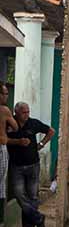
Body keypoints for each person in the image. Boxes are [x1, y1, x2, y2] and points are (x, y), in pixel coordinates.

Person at [7, 102, 54, 227]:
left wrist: (41, 144)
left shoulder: (33, 123)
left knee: (32, 196)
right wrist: (18, 142)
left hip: (33, 164)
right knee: (19, 195)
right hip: (17, 166)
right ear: (16, 113)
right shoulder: (10, 123)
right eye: (24, 112)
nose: (27, 115)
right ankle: (38, 218)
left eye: (28, 112)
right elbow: (4, 139)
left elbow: (51, 131)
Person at [0, 84, 18, 217]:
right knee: (1, 182)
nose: (6, 96)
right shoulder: (4, 110)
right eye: (4, 94)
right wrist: (7, 129)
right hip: (1, 147)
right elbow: (16, 127)